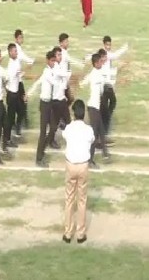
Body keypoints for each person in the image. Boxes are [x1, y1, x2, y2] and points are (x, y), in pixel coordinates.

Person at [62, 99, 95, 245]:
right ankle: (81, 234)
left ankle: (68, 233)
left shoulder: (69, 128)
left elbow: (65, 135)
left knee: (69, 199)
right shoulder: (88, 130)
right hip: (82, 166)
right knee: (82, 200)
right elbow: (92, 140)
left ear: (73, 113)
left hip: (70, 165)